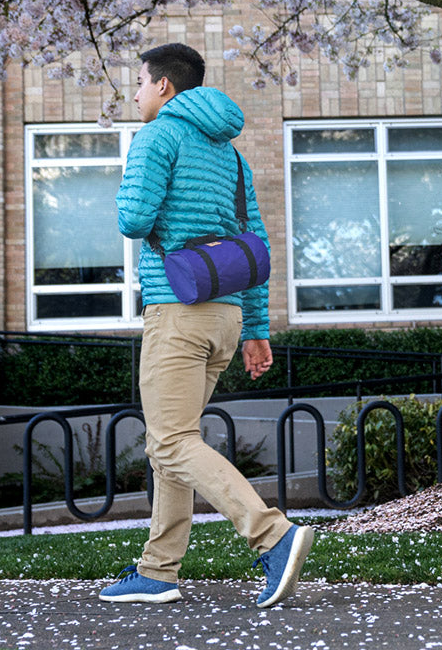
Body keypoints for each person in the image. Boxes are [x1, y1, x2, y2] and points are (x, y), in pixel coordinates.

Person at [100, 42, 314, 607]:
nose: (136, 94)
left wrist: (127, 185)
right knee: (175, 442)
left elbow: (133, 219)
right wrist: (255, 329)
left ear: (166, 86)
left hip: (177, 309)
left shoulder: (156, 137)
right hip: (224, 315)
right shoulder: (232, 156)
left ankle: (273, 535)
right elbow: (255, 248)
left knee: (169, 441)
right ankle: (158, 570)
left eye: (141, 83)